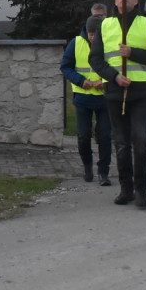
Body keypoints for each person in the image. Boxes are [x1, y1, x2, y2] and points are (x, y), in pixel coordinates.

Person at [89, 0, 146, 209]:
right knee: (121, 143)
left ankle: (141, 190)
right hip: (114, 92)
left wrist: (133, 53)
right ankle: (126, 189)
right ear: (115, 1)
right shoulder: (106, 25)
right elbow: (96, 59)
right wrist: (114, 77)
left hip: (141, 92)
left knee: (140, 140)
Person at [61, 15, 112, 185]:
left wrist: (104, 82)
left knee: (104, 136)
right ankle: (87, 167)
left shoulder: (109, 44)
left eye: (96, 34)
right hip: (82, 98)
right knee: (83, 136)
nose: (93, 37)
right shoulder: (75, 43)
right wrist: (81, 81)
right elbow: (65, 67)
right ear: (86, 31)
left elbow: (117, 67)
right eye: (90, 34)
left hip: (105, 99)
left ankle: (103, 172)